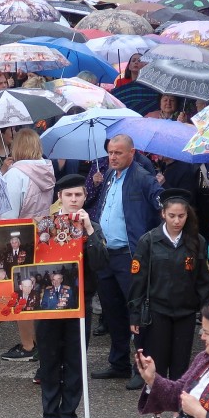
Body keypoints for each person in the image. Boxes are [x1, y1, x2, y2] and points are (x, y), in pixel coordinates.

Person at [128, 189, 209, 414]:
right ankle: (157, 404)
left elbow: (203, 281)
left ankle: (179, 405)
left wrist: (207, 312)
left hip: (185, 310)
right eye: (172, 216)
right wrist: (134, 314)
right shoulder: (149, 241)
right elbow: (138, 280)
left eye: (181, 216)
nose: (177, 221)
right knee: (158, 358)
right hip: (158, 310)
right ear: (163, 214)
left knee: (181, 361)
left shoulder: (196, 241)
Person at [91, 134, 163, 388]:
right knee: (112, 312)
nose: (113, 157)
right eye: (111, 152)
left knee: (136, 312)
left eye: (118, 153)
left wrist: (149, 243)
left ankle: (140, 367)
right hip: (107, 254)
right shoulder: (111, 175)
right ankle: (118, 362)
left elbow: (162, 206)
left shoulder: (142, 178)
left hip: (129, 254)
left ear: (132, 153)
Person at [36, 174, 109, 418]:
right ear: (60, 197)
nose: (74, 199)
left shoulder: (94, 227)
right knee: (49, 358)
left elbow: (101, 263)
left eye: (78, 195)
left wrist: (88, 229)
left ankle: (69, 411)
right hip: (47, 305)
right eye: (69, 195)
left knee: (76, 358)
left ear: (85, 197)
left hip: (80, 303)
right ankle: (50, 411)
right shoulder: (46, 225)